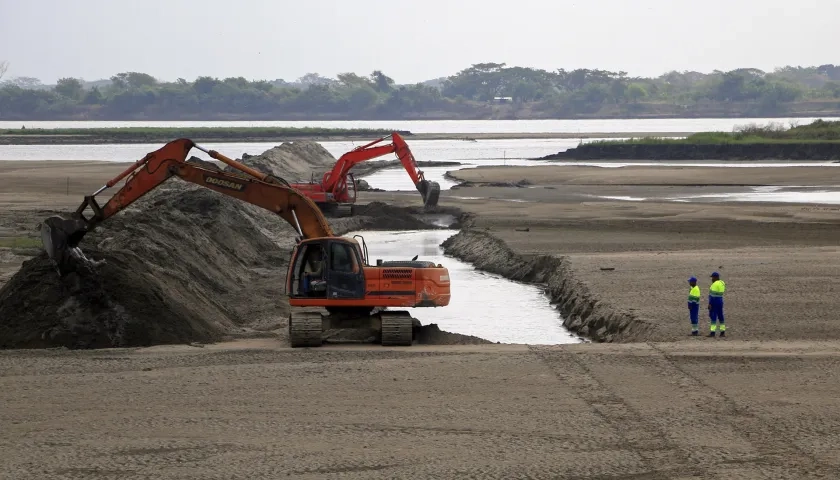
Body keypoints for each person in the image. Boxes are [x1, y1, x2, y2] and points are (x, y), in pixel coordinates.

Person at [708, 271, 726, 337]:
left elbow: (712, 295)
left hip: (715, 301)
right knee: (721, 315)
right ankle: (722, 331)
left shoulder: (714, 284)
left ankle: (712, 332)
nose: (712, 279)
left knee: (713, 316)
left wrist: (710, 303)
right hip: (720, 300)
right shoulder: (722, 282)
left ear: (715, 277)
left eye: (712, 277)